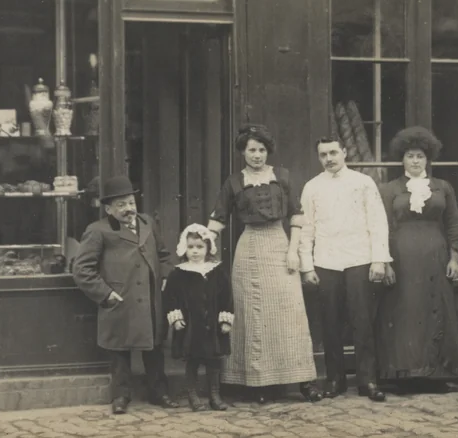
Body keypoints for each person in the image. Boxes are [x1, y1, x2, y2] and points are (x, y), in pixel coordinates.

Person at [206, 125, 322, 404]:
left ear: (267, 151)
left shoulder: (282, 177)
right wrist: (202, 241)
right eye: (251, 150)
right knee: (250, 313)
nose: (256, 155)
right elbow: (218, 219)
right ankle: (256, 384)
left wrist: (293, 251)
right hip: (248, 248)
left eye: (261, 150)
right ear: (243, 152)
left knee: (288, 313)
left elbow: (296, 216)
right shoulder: (234, 182)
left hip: (279, 245)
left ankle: (303, 381)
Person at [70, 175, 179, 414]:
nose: (128, 209)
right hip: (120, 299)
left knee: (154, 348)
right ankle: (121, 396)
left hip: (150, 299)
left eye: (130, 202)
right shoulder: (98, 231)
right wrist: (105, 294)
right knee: (119, 351)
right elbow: (81, 269)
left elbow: (163, 255)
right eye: (120, 205)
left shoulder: (148, 222)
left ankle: (159, 392)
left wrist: (164, 278)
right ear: (108, 209)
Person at [299, 136, 393, 402]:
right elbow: (306, 228)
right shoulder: (312, 187)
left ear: (344, 153)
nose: (329, 159)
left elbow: (377, 221)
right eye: (323, 155)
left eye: (333, 153)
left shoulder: (363, 183)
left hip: (359, 258)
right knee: (330, 322)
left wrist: (378, 259)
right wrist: (307, 266)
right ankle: (335, 379)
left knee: (362, 320)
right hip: (326, 260)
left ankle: (368, 380)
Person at [375, 126, 458, 392]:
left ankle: (435, 375)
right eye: (410, 156)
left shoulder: (442, 187)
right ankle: (404, 375)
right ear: (402, 159)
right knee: (405, 311)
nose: (415, 161)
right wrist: (386, 261)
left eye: (420, 157)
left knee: (434, 309)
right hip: (402, 256)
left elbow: (453, 224)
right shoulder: (389, 189)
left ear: (428, 160)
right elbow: (383, 227)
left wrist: (455, 257)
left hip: (436, 255)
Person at [163, 224, 234, 412]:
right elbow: (171, 298)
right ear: (184, 247)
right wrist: (176, 318)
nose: (195, 251)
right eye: (191, 247)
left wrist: (225, 319)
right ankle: (193, 396)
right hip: (191, 326)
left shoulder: (216, 271)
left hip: (212, 325)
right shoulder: (178, 273)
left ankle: (214, 395)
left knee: (213, 361)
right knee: (192, 362)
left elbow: (227, 296)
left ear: (208, 248)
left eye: (200, 247)